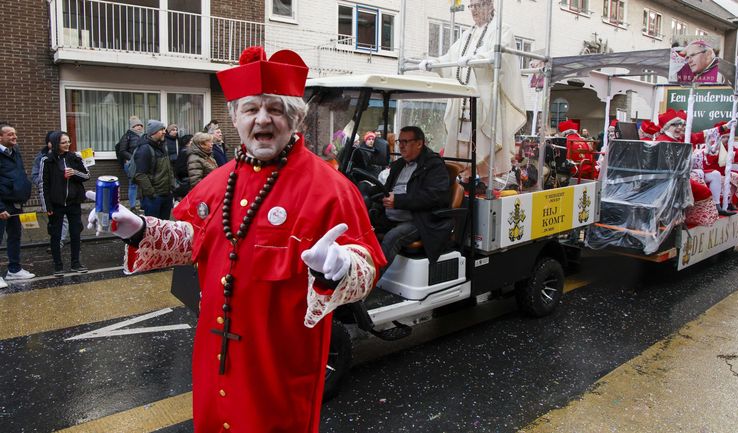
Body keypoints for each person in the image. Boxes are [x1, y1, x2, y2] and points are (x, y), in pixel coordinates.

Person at [87, 46, 385, 432]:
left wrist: (340, 269)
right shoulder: (218, 180)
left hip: (277, 369)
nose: (263, 119)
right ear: (235, 119)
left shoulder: (331, 189)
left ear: (295, 118)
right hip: (216, 358)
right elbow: (193, 238)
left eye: (275, 109)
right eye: (251, 109)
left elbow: (368, 262)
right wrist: (138, 228)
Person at [419, 0, 526, 182]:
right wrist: (434, 63)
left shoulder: (501, 29)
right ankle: (466, 181)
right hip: (462, 100)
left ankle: (487, 184)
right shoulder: (468, 34)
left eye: (479, 5)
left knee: (487, 145)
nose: (474, 10)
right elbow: (451, 57)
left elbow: (498, 57)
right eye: (472, 6)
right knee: (461, 147)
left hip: (485, 99)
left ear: (491, 5)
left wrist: (475, 59)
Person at [376, 126, 452, 272]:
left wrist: (398, 201)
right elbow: (385, 188)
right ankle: (345, 274)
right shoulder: (399, 164)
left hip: (421, 220)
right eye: (400, 141)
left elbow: (434, 197)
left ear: (419, 143)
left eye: (406, 141)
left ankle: (366, 284)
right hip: (392, 215)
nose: (401, 145)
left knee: (393, 237)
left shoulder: (433, 165)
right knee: (362, 225)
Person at [42, 131, 89, 276]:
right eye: (63, 142)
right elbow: (45, 185)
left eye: (68, 141)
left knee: (76, 233)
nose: (67, 144)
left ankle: (76, 263)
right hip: (56, 204)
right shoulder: (48, 161)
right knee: (55, 235)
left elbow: (87, 175)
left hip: (74, 202)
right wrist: (48, 206)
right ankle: (58, 265)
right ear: (56, 144)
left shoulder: (74, 157)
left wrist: (74, 172)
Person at [0, 123, 35, 287]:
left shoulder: (15, 151)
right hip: (2, 204)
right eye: (10, 134)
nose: (14, 137)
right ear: (0, 137)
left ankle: (14, 270)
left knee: (14, 236)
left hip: (15, 202)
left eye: (15, 133)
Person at [32, 132, 69, 250]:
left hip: (63, 194)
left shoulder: (68, 156)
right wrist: (44, 182)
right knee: (53, 219)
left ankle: (60, 241)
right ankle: (56, 238)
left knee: (64, 218)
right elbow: (35, 175)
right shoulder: (42, 157)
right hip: (50, 194)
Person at [133, 120, 174, 219]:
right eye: (161, 130)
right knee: (153, 229)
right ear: (153, 132)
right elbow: (140, 175)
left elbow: (168, 168)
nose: (164, 132)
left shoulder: (162, 146)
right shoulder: (145, 149)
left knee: (164, 228)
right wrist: (152, 194)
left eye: (164, 129)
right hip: (154, 198)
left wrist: (172, 188)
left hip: (166, 194)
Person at [117, 116, 143, 212]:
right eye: (137, 125)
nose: (139, 127)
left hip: (141, 163)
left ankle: (142, 205)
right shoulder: (127, 136)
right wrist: (132, 158)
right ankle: (132, 207)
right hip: (131, 164)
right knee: (133, 184)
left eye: (141, 125)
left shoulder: (143, 137)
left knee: (142, 183)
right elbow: (122, 151)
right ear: (132, 126)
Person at [174, 134, 194, 199]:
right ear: (187, 142)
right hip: (186, 182)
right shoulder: (185, 152)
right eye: (191, 140)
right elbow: (180, 169)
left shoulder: (189, 151)